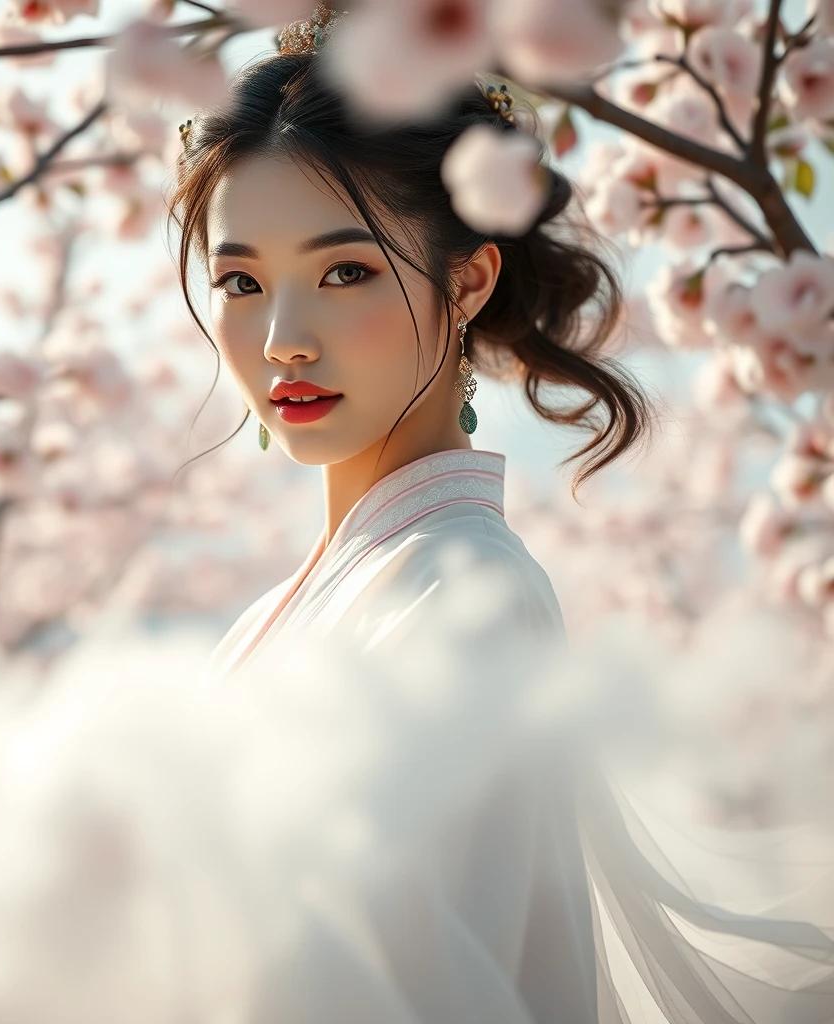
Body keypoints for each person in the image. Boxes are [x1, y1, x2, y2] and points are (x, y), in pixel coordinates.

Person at [166, 5, 834, 1021]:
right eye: (241, 280)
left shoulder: (465, 593)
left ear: (469, 277)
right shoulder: (287, 608)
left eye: (344, 271)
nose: (283, 338)